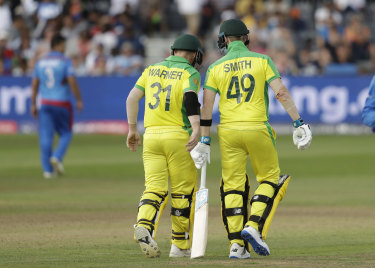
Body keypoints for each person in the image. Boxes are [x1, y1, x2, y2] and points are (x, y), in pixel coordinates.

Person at [190, 19, 312, 259]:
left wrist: (204, 141)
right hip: (257, 128)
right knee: (269, 178)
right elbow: (281, 92)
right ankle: (254, 225)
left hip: (228, 132)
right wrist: (298, 122)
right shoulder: (262, 60)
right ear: (245, 38)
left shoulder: (215, 68)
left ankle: (236, 245)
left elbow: (207, 108)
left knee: (233, 186)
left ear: (225, 39)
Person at [126, 34, 204, 258]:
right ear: (193, 54)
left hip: (151, 136)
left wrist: (132, 129)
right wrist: (196, 128)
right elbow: (190, 99)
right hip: (178, 136)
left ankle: (145, 226)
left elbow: (132, 98)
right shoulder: (190, 72)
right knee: (182, 192)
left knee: (154, 188)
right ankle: (179, 246)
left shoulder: (151, 69)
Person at [31, 34, 83, 179]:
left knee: (45, 137)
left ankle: (48, 171)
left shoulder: (40, 62)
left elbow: (35, 84)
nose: (65, 48)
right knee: (66, 133)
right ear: (58, 45)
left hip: (45, 103)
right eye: (64, 45)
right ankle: (57, 156)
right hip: (62, 103)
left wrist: (33, 104)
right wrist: (78, 99)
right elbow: (71, 80)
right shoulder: (64, 61)